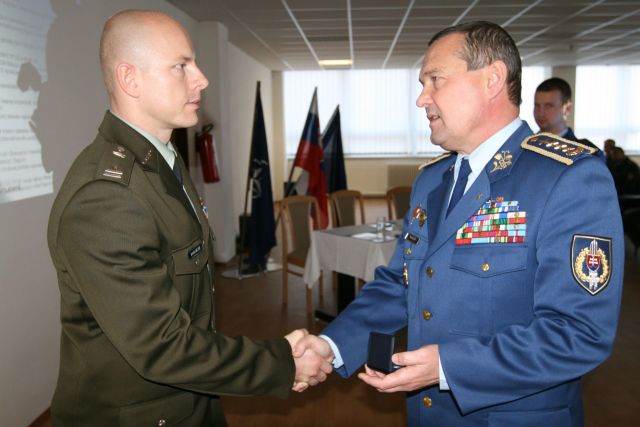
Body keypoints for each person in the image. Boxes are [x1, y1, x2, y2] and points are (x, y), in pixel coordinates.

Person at [295, 21, 623, 426]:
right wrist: (332, 344)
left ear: (492, 79)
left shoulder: (568, 178)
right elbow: (400, 283)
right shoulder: (432, 180)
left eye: (436, 80)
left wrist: (447, 367)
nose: (422, 98)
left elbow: (579, 332)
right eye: (422, 84)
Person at [47, 10, 331, 426]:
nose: (202, 79)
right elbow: (161, 346)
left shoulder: (163, 161)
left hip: (191, 398)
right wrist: (282, 363)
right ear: (130, 79)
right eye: (181, 66)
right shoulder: (106, 198)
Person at [533, 76, 605, 160]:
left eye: (549, 106)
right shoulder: (524, 145)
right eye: (537, 105)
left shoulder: (587, 154)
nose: (540, 113)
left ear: (567, 108)